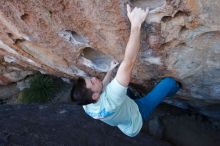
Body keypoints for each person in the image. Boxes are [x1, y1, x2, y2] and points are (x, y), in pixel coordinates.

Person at [71, 4, 180, 137]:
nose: (94, 78)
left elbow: (102, 88)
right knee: (168, 83)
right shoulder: (112, 98)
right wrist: (136, 24)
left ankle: (133, 97)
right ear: (95, 96)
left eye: (90, 79)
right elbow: (128, 62)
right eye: (92, 83)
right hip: (136, 116)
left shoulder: (86, 104)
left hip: (122, 113)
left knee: (124, 90)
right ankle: (176, 88)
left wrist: (110, 71)